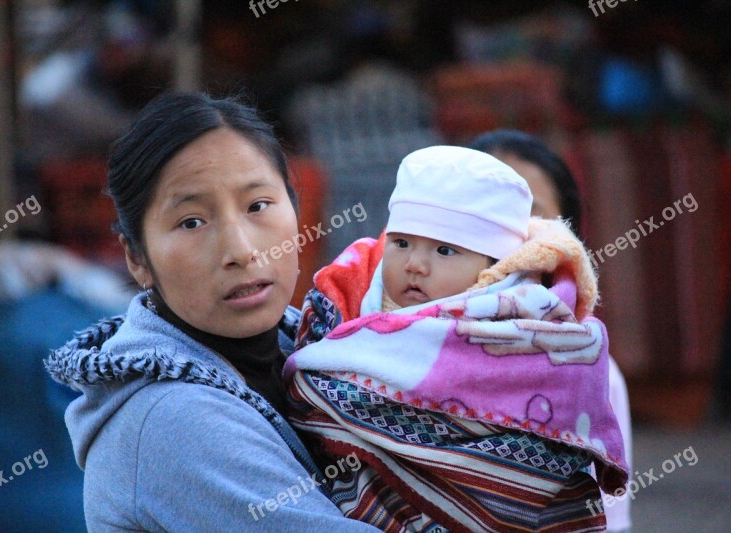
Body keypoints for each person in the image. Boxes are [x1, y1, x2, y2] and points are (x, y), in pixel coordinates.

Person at [46, 93, 379, 532]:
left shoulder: (317, 347)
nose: (241, 251)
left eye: (258, 206)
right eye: (191, 222)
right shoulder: (172, 418)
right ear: (137, 259)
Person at [285, 146, 628, 531]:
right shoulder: (349, 299)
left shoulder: (529, 328)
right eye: (401, 243)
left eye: (445, 250)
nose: (415, 263)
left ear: (495, 268)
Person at [469, 129, 633, 533]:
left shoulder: (590, 372)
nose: (505, 239)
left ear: (568, 246)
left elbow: (606, 521)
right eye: (483, 215)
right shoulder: (383, 341)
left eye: (531, 216)